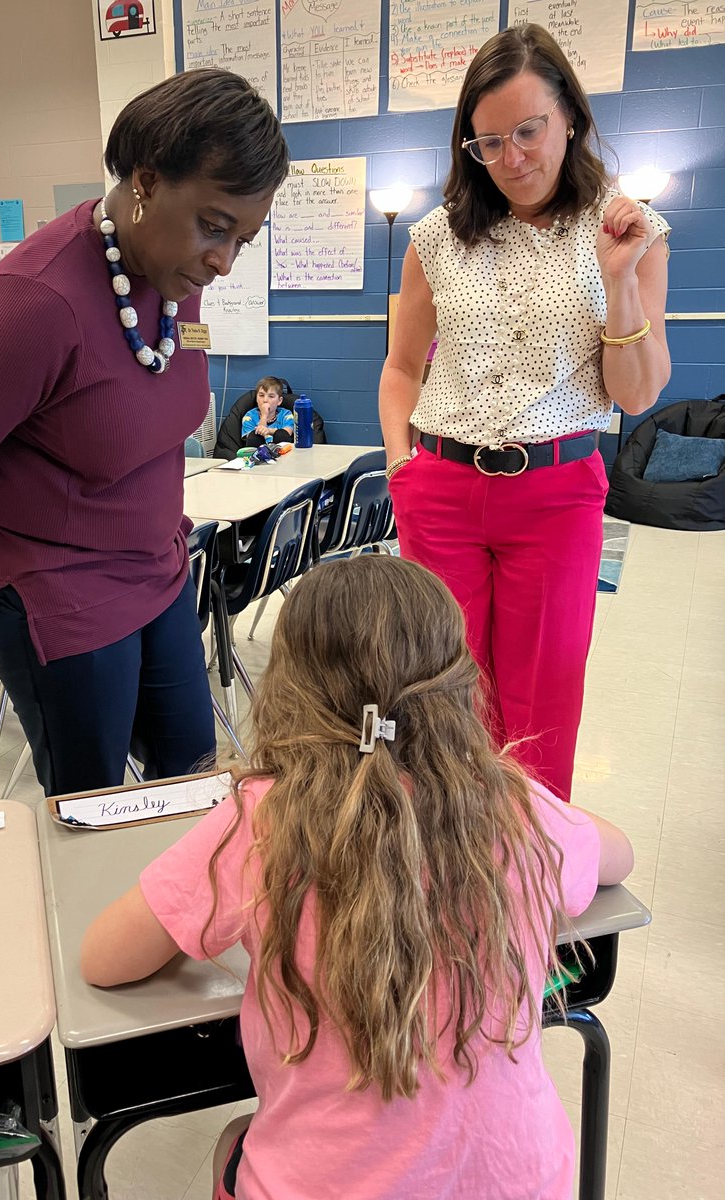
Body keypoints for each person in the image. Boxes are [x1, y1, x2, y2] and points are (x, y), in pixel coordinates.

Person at [81, 555, 634, 1200]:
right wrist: (503, 781)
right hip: (525, 1182)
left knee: (236, 1136)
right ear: (457, 683)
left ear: (290, 690)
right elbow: (617, 856)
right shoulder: (513, 808)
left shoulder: (262, 820)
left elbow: (104, 960)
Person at [0, 69, 289, 796]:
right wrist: (27, 530)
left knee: (191, 780)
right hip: (58, 591)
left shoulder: (172, 278)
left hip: (157, 566)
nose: (224, 262)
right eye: (214, 227)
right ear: (144, 181)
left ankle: (178, 913)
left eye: (244, 238)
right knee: (94, 806)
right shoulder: (33, 305)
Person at [379, 23, 671, 803]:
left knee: (543, 702)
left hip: (556, 491)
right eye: (488, 144)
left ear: (569, 114)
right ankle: (442, 867)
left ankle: (527, 877)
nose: (512, 159)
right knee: (438, 697)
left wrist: (619, 282)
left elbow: (639, 395)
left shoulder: (627, 230)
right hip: (438, 486)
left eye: (529, 131)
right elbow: (403, 366)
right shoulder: (438, 235)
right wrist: (399, 464)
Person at [241, 376, 295, 448]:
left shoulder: (286, 414)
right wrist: (264, 416)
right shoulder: (249, 416)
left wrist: (269, 431)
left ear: (279, 401)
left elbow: (287, 433)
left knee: (281, 433)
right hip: (258, 452)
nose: (265, 400)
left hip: (280, 451)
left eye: (271, 396)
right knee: (254, 435)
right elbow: (251, 439)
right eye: (261, 395)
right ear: (256, 399)